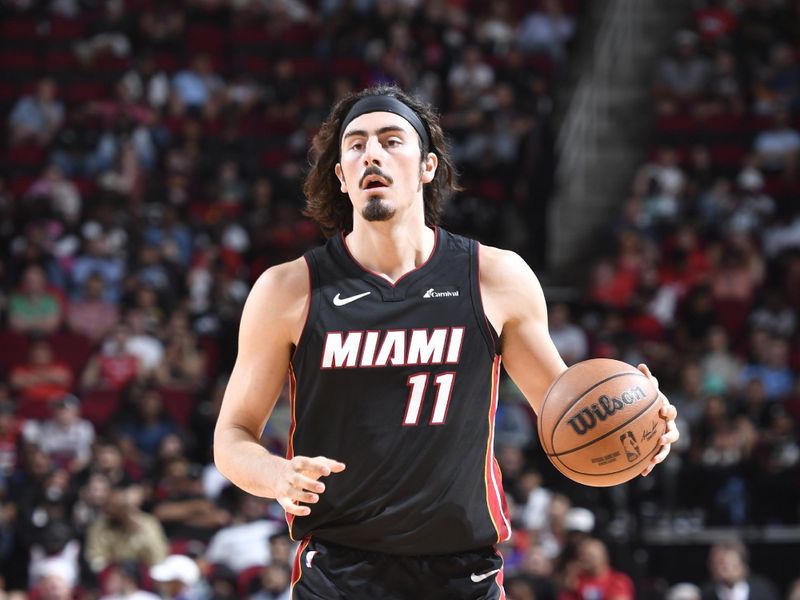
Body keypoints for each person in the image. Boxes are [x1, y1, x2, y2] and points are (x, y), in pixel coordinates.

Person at [213, 85, 680, 599]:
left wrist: (638, 431)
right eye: (356, 145)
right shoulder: (289, 289)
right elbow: (231, 435)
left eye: (392, 140)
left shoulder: (495, 277)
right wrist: (277, 476)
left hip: (464, 574)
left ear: (428, 167)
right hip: (339, 574)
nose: (372, 152)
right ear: (341, 176)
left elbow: (566, 411)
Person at [700, 538, 780, 600]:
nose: (721, 571)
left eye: (727, 566)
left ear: (743, 566)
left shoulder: (763, 591)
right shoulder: (707, 594)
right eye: (716, 564)